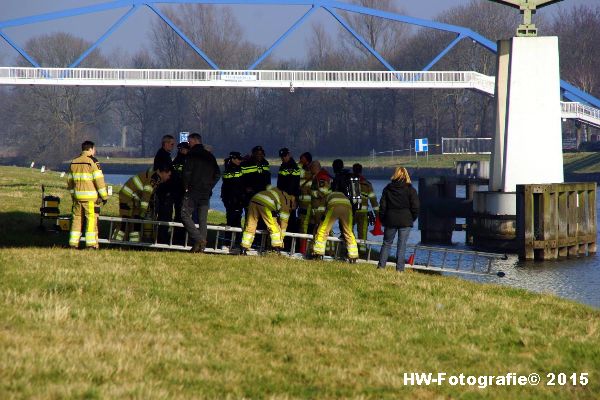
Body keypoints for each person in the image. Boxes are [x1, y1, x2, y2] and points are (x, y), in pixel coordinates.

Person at [181, 133, 221, 253]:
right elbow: (218, 174)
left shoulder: (191, 155)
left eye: (189, 142)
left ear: (194, 141)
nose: (188, 144)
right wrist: (210, 186)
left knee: (184, 214)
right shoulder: (210, 156)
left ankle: (198, 239)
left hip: (193, 191)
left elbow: (186, 172)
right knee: (203, 220)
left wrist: (185, 187)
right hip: (205, 192)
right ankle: (200, 248)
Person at [113, 165, 172, 243]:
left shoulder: (155, 177)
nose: (169, 178)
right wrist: (143, 211)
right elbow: (146, 196)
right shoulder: (154, 179)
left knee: (136, 221)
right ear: (164, 172)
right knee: (124, 221)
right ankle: (115, 242)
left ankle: (134, 243)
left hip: (134, 199)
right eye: (169, 175)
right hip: (127, 197)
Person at [67, 140, 108, 249]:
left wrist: (73, 195)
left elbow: (70, 182)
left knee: (76, 220)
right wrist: (104, 196)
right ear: (91, 149)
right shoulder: (93, 161)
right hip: (90, 199)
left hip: (77, 198)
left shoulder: (74, 161)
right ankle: (90, 244)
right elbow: (99, 181)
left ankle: (73, 243)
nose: (94, 152)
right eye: (94, 150)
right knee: (91, 220)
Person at [377, 167, 420, 271]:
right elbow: (416, 207)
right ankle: (400, 269)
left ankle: (381, 267)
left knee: (386, 243)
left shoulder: (387, 189)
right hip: (406, 220)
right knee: (402, 245)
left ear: (395, 175)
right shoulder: (410, 189)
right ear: (406, 175)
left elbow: (382, 206)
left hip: (390, 219)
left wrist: (383, 219)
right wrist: (412, 218)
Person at [241, 188, 296, 253]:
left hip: (254, 200)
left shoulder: (281, 193)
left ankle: (244, 247)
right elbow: (283, 223)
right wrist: (281, 238)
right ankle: (277, 248)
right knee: (273, 226)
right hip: (266, 204)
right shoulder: (287, 202)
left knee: (250, 224)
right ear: (294, 203)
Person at [312, 189, 359, 263]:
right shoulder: (343, 195)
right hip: (348, 208)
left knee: (322, 230)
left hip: (334, 207)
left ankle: (318, 254)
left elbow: (320, 210)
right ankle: (353, 256)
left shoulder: (327, 196)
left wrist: (318, 222)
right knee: (349, 232)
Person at [352, 163, 380, 252]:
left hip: (351, 212)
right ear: (361, 171)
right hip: (363, 213)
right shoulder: (367, 184)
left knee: (348, 230)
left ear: (353, 170)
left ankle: (351, 247)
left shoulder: (350, 182)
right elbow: (374, 201)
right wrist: (378, 215)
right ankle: (362, 251)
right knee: (363, 234)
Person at [153, 134, 176, 243]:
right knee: (164, 215)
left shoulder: (164, 154)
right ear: (165, 143)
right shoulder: (163, 155)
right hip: (164, 190)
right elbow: (164, 172)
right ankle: (162, 238)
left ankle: (162, 237)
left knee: (165, 214)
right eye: (171, 144)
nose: (173, 146)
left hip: (163, 189)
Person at [221, 151, 245, 248]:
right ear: (233, 159)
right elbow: (232, 187)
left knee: (237, 221)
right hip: (231, 200)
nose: (240, 161)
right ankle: (228, 242)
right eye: (238, 159)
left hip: (237, 200)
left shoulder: (237, 167)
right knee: (231, 221)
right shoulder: (230, 170)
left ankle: (236, 242)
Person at [277, 147, 301, 235]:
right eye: (282, 156)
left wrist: (293, 198)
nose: (283, 158)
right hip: (282, 196)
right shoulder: (282, 166)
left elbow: (294, 184)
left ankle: (291, 241)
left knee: (291, 220)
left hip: (290, 197)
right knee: (283, 218)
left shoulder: (293, 167)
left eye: (285, 156)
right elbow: (279, 183)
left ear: (289, 155)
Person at [297, 152, 313, 253]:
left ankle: (304, 250)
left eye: (301, 158)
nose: (299, 160)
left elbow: (298, 171)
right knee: (305, 228)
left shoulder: (306, 172)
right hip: (304, 205)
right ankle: (305, 249)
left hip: (306, 206)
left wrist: (299, 164)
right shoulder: (312, 172)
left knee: (304, 229)